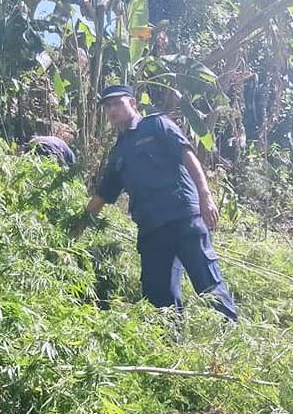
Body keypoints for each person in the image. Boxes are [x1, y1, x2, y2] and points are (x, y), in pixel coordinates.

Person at [84, 85, 238, 320]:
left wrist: (205, 196)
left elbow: (188, 156)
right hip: (151, 229)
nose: (112, 110)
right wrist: (78, 224)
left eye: (117, 103)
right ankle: (170, 350)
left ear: (133, 103)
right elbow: (104, 193)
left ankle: (230, 340)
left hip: (183, 218)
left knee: (208, 285)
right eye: (107, 106)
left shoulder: (156, 125)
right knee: (158, 297)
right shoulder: (118, 152)